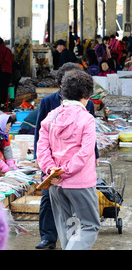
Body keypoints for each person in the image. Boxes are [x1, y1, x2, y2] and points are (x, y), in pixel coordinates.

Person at [34, 63, 99, 250]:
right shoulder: (86, 118)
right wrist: (66, 171)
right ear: (85, 95)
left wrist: (51, 170)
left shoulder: (52, 116)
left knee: (69, 224)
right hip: (79, 183)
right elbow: (85, 153)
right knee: (90, 225)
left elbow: (42, 146)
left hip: (55, 182)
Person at [0, 38, 13, 110]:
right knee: (4, 88)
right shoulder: (8, 50)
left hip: (1, 72)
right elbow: (12, 61)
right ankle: (3, 103)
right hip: (8, 72)